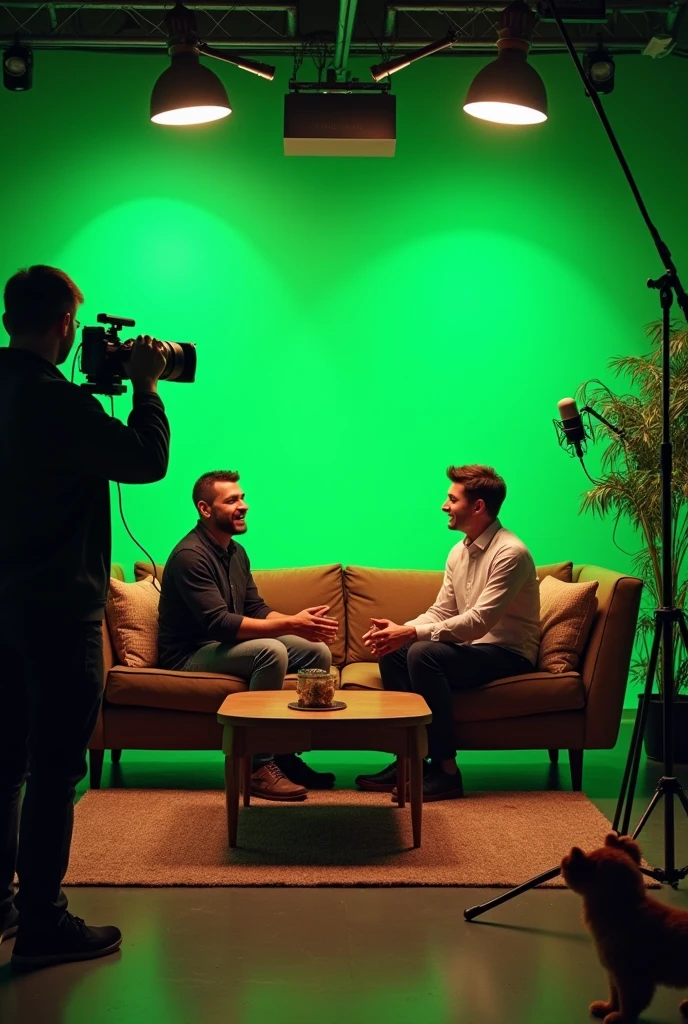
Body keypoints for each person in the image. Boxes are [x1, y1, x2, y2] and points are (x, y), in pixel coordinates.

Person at [0, 265, 170, 968]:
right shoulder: (56, 402)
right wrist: (146, 388)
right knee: (55, 768)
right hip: (57, 611)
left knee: (4, 763)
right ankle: (43, 920)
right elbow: (146, 462)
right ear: (65, 324)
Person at [356, 464, 540, 802]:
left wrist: (412, 633)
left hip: (508, 654)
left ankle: (446, 772)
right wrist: (399, 631)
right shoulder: (459, 551)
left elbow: (478, 622)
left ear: (478, 506)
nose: (444, 505)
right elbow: (443, 610)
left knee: (423, 652)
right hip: (472, 650)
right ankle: (409, 760)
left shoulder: (510, 553)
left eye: (452, 499)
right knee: (393, 650)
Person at [158, 470, 339, 801]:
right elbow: (220, 624)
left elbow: (256, 608)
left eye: (242, 497)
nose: (243, 505)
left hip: (222, 645)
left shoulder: (237, 553)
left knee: (317, 652)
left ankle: (286, 754)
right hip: (189, 654)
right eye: (231, 500)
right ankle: (257, 766)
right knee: (270, 652)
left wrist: (300, 624)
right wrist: (290, 624)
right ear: (205, 509)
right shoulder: (190, 557)